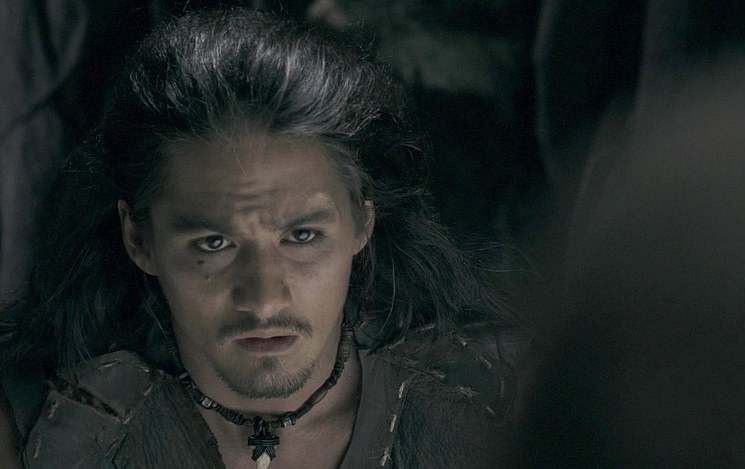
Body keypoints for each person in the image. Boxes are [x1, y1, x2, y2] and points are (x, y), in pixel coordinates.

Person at [0, 8, 524, 468]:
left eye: (302, 236)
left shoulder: (501, 416)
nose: (265, 298)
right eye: (214, 244)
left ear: (362, 224)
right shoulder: (36, 431)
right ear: (140, 241)